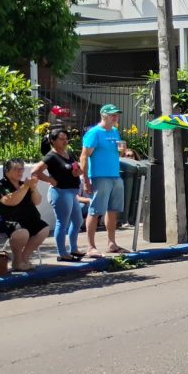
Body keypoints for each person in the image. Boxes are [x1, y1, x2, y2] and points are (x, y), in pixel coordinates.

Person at [0, 159, 51, 271]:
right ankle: (17, 261)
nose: (20, 171)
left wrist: (33, 188)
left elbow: (37, 201)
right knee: (22, 232)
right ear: (6, 171)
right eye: (16, 169)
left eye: (21, 169)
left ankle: (24, 259)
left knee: (43, 228)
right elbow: (10, 201)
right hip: (0, 220)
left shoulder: (23, 185)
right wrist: (25, 187)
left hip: (22, 220)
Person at [79, 104, 128, 258]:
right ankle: (91, 246)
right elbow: (84, 156)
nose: (116, 117)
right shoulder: (94, 133)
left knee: (113, 210)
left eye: (117, 114)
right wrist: (86, 179)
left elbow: (117, 152)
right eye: (113, 114)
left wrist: (123, 151)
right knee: (95, 211)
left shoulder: (114, 131)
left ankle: (111, 243)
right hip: (99, 176)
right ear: (104, 115)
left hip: (114, 175)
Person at [41, 128, 84, 261]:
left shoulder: (69, 154)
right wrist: (50, 180)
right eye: (61, 139)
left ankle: (74, 249)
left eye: (66, 138)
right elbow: (35, 171)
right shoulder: (51, 156)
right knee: (62, 222)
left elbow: (78, 168)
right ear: (53, 141)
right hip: (60, 192)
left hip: (72, 192)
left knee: (77, 221)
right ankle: (62, 253)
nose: (65, 141)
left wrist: (77, 172)